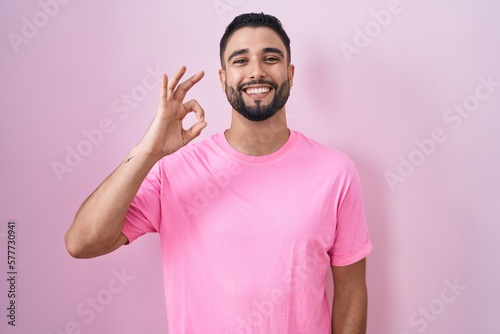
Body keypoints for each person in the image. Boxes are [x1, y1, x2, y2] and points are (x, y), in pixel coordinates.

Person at [65, 12, 372, 334]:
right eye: (241, 61)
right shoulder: (176, 170)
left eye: (271, 58)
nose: (256, 71)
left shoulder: (334, 172)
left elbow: (351, 292)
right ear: (223, 77)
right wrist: (146, 152)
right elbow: (82, 243)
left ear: (290, 73)